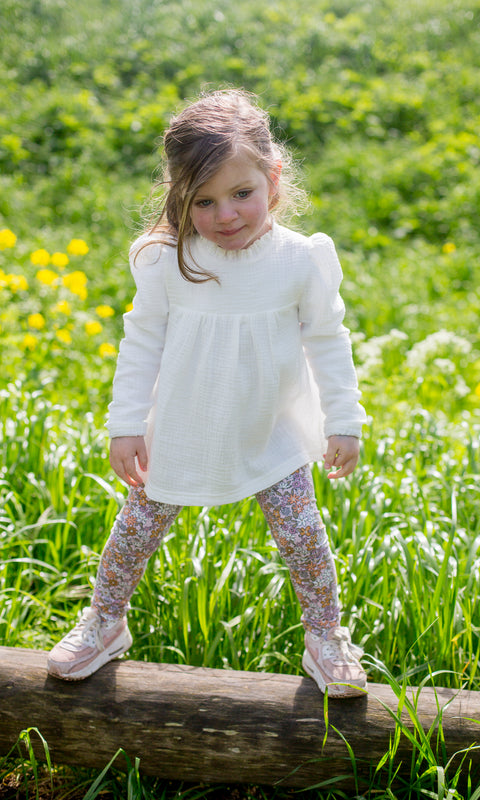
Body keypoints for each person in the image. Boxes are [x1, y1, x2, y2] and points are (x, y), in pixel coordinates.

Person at [47, 89, 367, 698]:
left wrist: (342, 419)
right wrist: (125, 423)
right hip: (181, 430)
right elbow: (140, 342)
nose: (226, 215)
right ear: (179, 198)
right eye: (205, 201)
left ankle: (325, 637)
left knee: (303, 536)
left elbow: (328, 339)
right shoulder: (168, 260)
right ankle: (104, 623)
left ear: (272, 180)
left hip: (270, 431)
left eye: (241, 194)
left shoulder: (301, 259)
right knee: (136, 531)